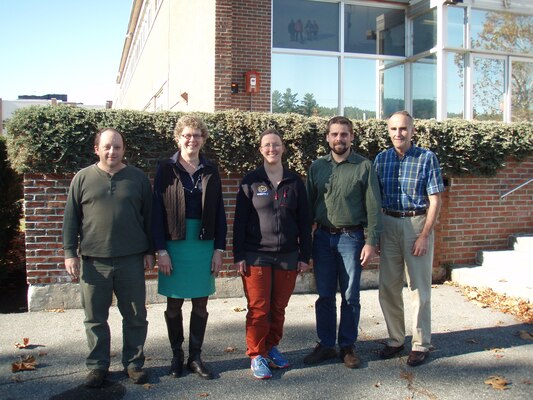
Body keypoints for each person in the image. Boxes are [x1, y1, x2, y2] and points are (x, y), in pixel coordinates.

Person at [62, 128, 153, 388]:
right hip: (93, 261)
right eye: (107, 147)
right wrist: (70, 253)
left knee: (135, 315)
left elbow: (149, 217)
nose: (112, 151)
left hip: (131, 259)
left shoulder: (137, 179)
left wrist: (149, 251)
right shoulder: (82, 178)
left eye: (117, 146)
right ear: (97, 149)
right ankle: (97, 366)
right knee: (94, 317)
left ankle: (134, 364)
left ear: (124, 149)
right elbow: (71, 219)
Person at [152, 115, 227, 380]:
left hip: (203, 244)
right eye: (187, 135)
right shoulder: (165, 169)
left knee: (200, 305)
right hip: (174, 244)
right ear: (178, 138)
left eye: (197, 135)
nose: (192, 140)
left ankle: (195, 357)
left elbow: (219, 212)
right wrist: (161, 250)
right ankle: (177, 355)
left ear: (203, 139)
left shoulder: (211, 169)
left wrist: (219, 250)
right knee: (173, 304)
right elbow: (156, 212)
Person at [233, 128, 312, 379]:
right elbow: (239, 221)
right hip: (256, 254)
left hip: (288, 255)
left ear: (282, 148)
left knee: (278, 308)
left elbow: (304, 221)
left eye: (276, 144)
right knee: (259, 308)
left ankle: (271, 347)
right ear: (260, 149)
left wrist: (304, 255)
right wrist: (239, 256)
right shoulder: (251, 181)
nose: (271, 149)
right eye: (266, 145)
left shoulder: (295, 181)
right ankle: (256, 354)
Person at [304, 116, 382, 369]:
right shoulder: (317, 167)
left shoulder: (364, 166)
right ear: (327, 137)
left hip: (352, 238)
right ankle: (326, 344)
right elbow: (307, 206)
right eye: (334, 134)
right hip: (323, 237)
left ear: (351, 137)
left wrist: (371, 242)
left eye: (344, 134)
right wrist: (304, 244)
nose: (339, 139)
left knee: (350, 295)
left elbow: (373, 206)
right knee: (324, 295)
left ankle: (347, 345)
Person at [374, 110, 445, 367]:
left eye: (403, 129)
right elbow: (375, 200)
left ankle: (420, 343)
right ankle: (395, 340)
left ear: (412, 131)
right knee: (388, 287)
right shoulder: (381, 160)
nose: (398, 133)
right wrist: (376, 234)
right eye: (393, 129)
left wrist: (424, 235)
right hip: (389, 223)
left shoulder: (427, 158)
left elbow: (435, 200)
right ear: (388, 131)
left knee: (418, 288)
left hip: (416, 224)